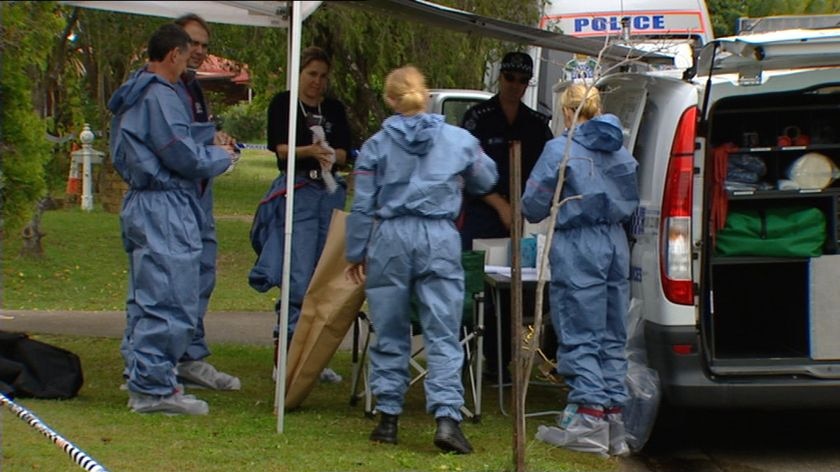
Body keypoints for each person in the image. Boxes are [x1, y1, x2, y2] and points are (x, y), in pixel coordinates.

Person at [344, 65, 498, 454]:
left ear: (390, 100)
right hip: (439, 235)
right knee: (443, 330)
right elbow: (487, 179)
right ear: (426, 95)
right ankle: (447, 417)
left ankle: (388, 420)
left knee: (390, 327)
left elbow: (362, 205)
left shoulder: (376, 145)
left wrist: (356, 251)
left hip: (390, 237)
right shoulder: (459, 139)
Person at [109, 24, 235, 415]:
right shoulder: (160, 94)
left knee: (149, 293)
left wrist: (204, 138)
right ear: (172, 55)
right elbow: (178, 152)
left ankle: (146, 375)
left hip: (145, 202)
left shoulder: (135, 90)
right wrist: (221, 158)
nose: (188, 61)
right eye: (187, 53)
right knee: (171, 293)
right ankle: (152, 388)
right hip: (164, 203)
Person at [521, 83, 639, 456]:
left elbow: (533, 205)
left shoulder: (562, 148)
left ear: (568, 112)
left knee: (580, 326)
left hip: (580, 243)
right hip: (615, 243)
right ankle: (614, 420)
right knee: (611, 330)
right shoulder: (620, 150)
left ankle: (588, 418)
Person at [249, 46, 351, 383]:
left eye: (323, 76)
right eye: (311, 75)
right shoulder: (284, 104)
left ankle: (313, 358)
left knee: (323, 277)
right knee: (299, 275)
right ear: (300, 74)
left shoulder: (333, 108)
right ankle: (288, 353)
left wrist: (330, 155)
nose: (317, 83)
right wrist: (311, 151)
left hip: (329, 193)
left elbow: (345, 152)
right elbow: (280, 149)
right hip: (299, 191)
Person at [459, 51, 553, 383]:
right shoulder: (478, 117)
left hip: (520, 218)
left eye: (522, 81)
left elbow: (549, 171)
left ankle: (499, 364)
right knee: (472, 289)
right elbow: (464, 168)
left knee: (508, 292)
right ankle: (462, 360)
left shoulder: (537, 124)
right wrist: (499, 204)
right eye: (509, 79)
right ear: (500, 78)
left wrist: (525, 209)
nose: (515, 86)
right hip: (481, 213)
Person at [169, 13, 241, 391]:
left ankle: (189, 356)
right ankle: (155, 365)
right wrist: (206, 147)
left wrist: (216, 139)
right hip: (170, 200)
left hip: (199, 197)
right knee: (167, 283)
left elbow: (196, 137)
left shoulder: (193, 88)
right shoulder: (158, 88)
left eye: (204, 45)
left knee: (201, 275)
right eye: (191, 42)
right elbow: (173, 146)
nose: (197, 51)